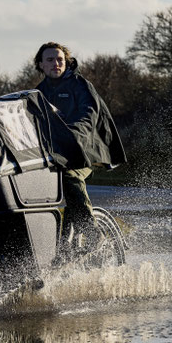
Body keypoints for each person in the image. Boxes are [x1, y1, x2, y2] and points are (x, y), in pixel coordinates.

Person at [33, 42, 126, 264]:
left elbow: (89, 114)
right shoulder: (39, 92)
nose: (56, 63)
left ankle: (95, 235)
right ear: (40, 65)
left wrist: (72, 133)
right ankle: (63, 249)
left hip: (89, 150)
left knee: (69, 177)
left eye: (60, 60)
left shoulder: (80, 85)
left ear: (66, 62)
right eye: (50, 60)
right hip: (59, 154)